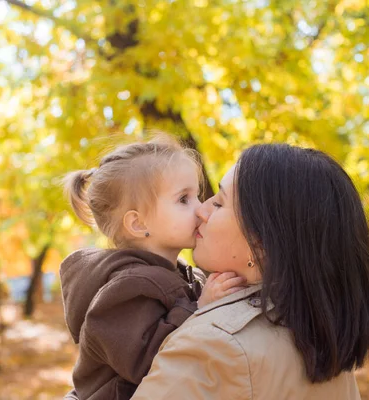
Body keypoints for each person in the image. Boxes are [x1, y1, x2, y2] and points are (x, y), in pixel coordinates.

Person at [132, 144, 369, 400]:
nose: (201, 210)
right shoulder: (320, 338)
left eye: (219, 204)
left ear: (261, 244)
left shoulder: (212, 345)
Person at [60, 135, 246, 400]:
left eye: (196, 195)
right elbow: (149, 364)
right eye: (184, 199)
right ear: (138, 224)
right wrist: (200, 308)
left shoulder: (173, 272)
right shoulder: (126, 288)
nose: (201, 208)